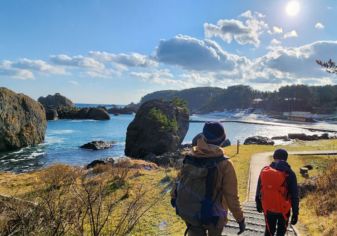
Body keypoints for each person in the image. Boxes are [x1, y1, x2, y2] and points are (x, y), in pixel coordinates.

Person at [171, 121, 245, 236]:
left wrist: (173, 196)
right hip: (215, 215)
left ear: (203, 137)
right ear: (222, 139)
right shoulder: (224, 164)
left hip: (190, 211)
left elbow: (179, 180)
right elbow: (231, 196)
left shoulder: (190, 156)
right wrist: (240, 219)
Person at [255, 149, 299, 236]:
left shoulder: (265, 170)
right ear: (286, 159)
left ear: (274, 157)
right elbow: (294, 195)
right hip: (283, 209)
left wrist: (258, 203)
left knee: (269, 231)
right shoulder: (290, 173)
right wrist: (295, 213)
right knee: (281, 232)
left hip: (268, 207)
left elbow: (259, 188)